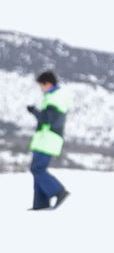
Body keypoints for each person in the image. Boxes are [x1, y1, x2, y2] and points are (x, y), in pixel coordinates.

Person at [27, 70, 72, 211]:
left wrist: (34, 111)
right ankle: (41, 204)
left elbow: (47, 119)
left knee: (37, 168)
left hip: (48, 139)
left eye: (42, 85)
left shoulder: (55, 98)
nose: (41, 89)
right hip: (44, 139)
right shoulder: (51, 97)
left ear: (47, 83)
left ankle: (58, 191)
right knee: (37, 168)